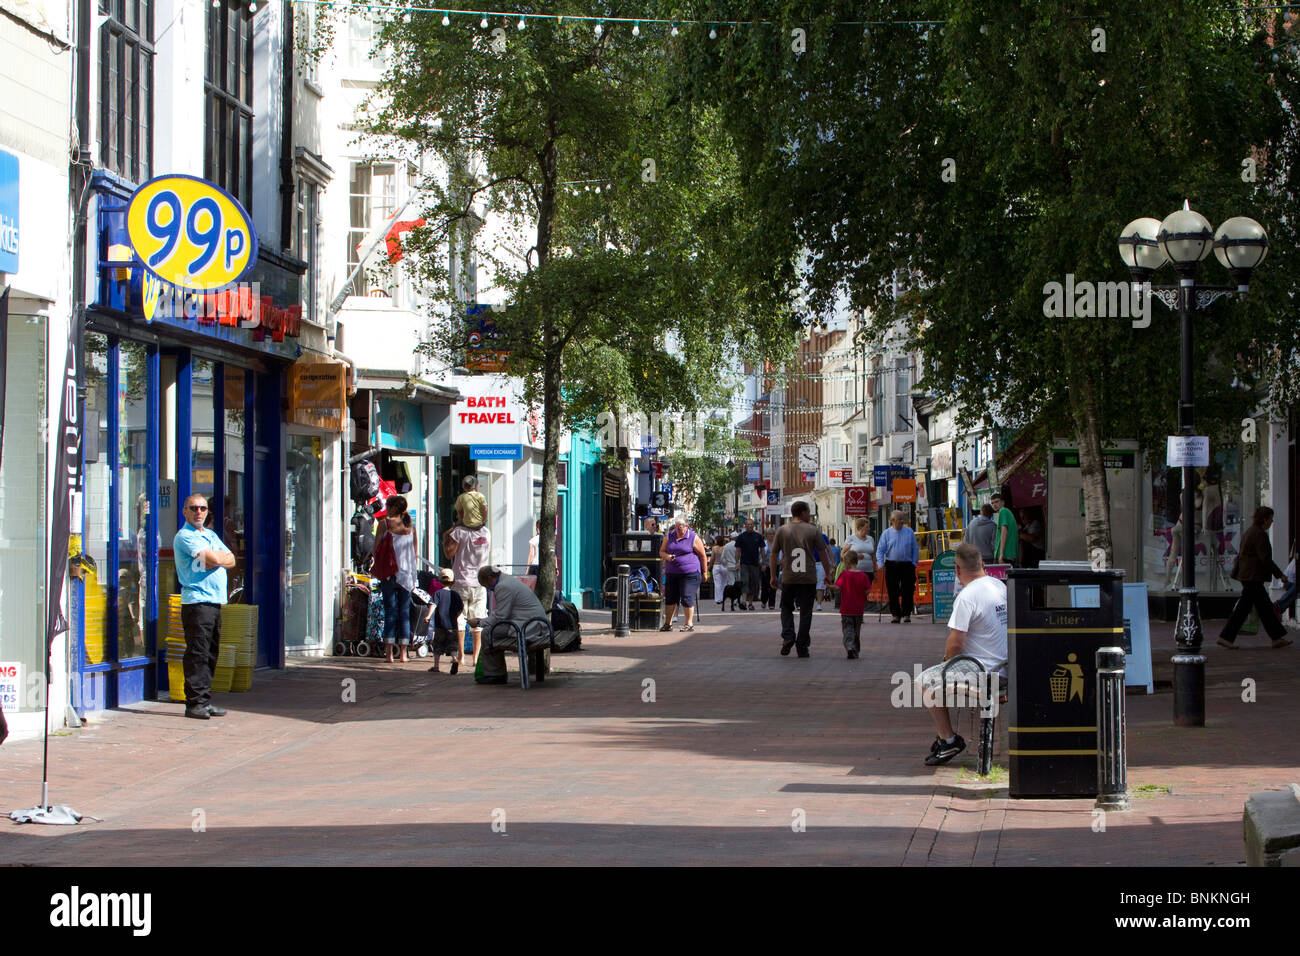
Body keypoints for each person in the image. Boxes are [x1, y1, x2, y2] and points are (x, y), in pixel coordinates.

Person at [915, 542, 1008, 765]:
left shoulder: (966, 597)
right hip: (1006, 663)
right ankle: (948, 739)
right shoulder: (999, 585)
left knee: (924, 681)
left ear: (957, 570)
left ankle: (948, 740)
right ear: (983, 565)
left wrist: (946, 663)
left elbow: (955, 644)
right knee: (941, 673)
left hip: (984, 669)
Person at [173, 494, 236, 720]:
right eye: (194, 508)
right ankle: (194, 704)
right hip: (197, 602)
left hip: (214, 601)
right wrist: (217, 559)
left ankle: (204, 701)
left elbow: (231, 559)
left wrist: (216, 559)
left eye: (202, 508)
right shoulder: (185, 537)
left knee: (211, 653)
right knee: (198, 653)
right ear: (185, 512)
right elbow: (215, 558)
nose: (199, 512)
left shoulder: (209, 535)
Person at [1217, 506, 1293, 649]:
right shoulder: (1259, 534)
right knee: (1248, 608)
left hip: (1248, 575)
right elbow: (1265, 559)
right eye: (1271, 518)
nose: (1272, 521)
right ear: (1264, 519)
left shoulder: (1251, 532)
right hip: (1252, 577)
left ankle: (1276, 637)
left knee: (1264, 608)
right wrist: (1280, 575)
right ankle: (1225, 636)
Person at [771, 501, 834, 657]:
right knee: (806, 612)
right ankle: (802, 645)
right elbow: (823, 553)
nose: (810, 515)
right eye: (808, 512)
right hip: (808, 576)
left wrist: (773, 576)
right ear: (803, 512)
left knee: (786, 608)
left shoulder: (782, 530)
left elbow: (773, 554)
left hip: (788, 576)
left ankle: (788, 636)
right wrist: (828, 573)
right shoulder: (813, 531)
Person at [473, 566, 548, 684]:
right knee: (492, 631)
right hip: (532, 623)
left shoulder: (502, 587)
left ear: (490, 579)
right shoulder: (507, 580)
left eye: (486, 586)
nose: (489, 589)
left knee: (487, 633)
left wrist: (479, 622)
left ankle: (495, 674)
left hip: (528, 626)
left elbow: (500, 617)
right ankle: (496, 671)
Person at [373, 494, 419, 663]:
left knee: (390, 613)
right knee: (404, 613)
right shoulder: (410, 525)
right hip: (406, 576)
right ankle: (404, 654)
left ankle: (389, 654)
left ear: (392, 507)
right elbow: (415, 553)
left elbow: (375, 549)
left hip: (389, 574)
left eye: (387, 505)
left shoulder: (384, 525)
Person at [444, 521, 492, 664]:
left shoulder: (458, 532)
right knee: (478, 621)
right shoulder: (486, 532)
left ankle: (461, 656)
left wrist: (448, 536)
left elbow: (448, 553)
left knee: (459, 621)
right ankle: (476, 658)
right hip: (479, 582)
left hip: (461, 581)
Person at [659, 514, 708, 632]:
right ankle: (668, 623)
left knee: (686, 596)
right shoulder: (669, 536)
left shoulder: (693, 537)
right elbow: (661, 551)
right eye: (675, 527)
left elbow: (702, 556)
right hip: (672, 572)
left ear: (686, 527)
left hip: (690, 572)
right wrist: (667, 556)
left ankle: (688, 624)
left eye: (679, 527)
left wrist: (705, 572)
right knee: (670, 597)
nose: (677, 530)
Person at [876, 510, 920, 623]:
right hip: (891, 564)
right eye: (899, 519)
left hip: (907, 564)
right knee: (892, 590)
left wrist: (914, 563)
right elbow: (880, 550)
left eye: (902, 519)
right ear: (892, 521)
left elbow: (915, 549)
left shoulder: (909, 532)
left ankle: (906, 614)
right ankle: (895, 614)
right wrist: (880, 563)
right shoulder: (886, 533)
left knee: (908, 589)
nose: (902, 521)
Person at [427, 568, 465, 674]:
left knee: (437, 646)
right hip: (452, 626)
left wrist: (428, 616)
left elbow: (433, 605)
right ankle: (454, 659)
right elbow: (461, 608)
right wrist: (456, 617)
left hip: (440, 626)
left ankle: (436, 666)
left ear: (439, 581)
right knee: (453, 646)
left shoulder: (437, 593)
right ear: (453, 582)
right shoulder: (455, 595)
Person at [836, 548, 872, 659]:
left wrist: (828, 586)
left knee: (848, 629)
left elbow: (838, 587)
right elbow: (867, 590)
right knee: (856, 630)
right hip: (858, 608)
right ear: (857, 561)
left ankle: (850, 646)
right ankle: (855, 649)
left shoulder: (844, 575)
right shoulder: (863, 576)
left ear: (846, 562)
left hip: (846, 608)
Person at [735, 519, 766, 610]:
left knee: (753, 583)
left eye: (751, 524)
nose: (750, 526)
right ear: (745, 525)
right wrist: (737, 562)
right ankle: (744, 601)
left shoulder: (758, 536)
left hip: (755, 563)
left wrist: (763, 563)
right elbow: (737, 551)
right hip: (744, 563)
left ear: (754, 525)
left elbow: (762, 550)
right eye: (748, 524)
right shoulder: (741, 537)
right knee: (745, 581)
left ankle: (750, 603)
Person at [990, 493, 1019, 566]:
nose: (994, 505)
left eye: (997, 502)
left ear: (1003, 502)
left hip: (1005, 554)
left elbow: (1004, 531)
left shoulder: (1003, 511)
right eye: (992, 503)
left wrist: (1001, 554)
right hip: (1010, 554)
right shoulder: (1007, 512)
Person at [845, 517, 877, 584]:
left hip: (869, 571)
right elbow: (843, 554)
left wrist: (875, 571)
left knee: (867, 592)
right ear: (860, 528)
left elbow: (873, 556)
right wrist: (855, 555)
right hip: (856, 571)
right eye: (867, 527)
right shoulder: (851, 538)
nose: (869, 529)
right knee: (857, 591)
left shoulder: (871, 539)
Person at [711, 534, 735, 608]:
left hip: (716, 566)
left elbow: (712, 558)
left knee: (717, 583)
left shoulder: (714, 548)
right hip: (724, 566)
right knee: (724, 583)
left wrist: (709, 566)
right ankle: (724, 597)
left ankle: (718, 599)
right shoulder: (725, 547)